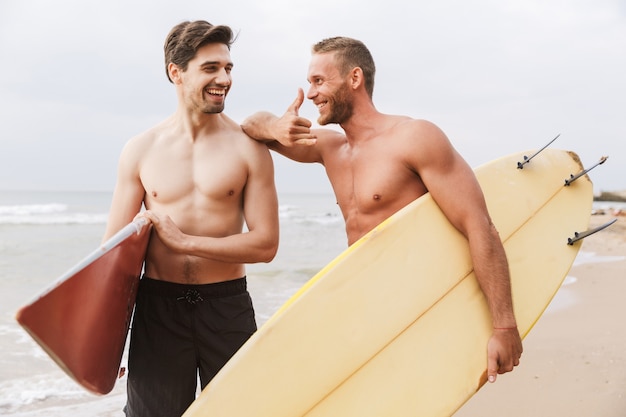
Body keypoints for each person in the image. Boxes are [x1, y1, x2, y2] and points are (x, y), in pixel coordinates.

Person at [242, 36, 522, 383]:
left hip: (419, 305)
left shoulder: (414, 137)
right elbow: (250, 127)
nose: (311, 93)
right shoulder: (329, 147)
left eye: (318, 81)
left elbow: (479, 227)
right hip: (363, 305)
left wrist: (504, 325)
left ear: (354, 78)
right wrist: (276, 126)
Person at [102, 20, 279, 417]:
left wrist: (185, 242)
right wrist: (105, 344)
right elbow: (111, 255)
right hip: (158, 310)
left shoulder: (248, 149)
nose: (224, 79)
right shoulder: (141, 150)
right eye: (211, 68)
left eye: (228, 68)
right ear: (175, 72)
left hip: (227, 307)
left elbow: (266, 244)